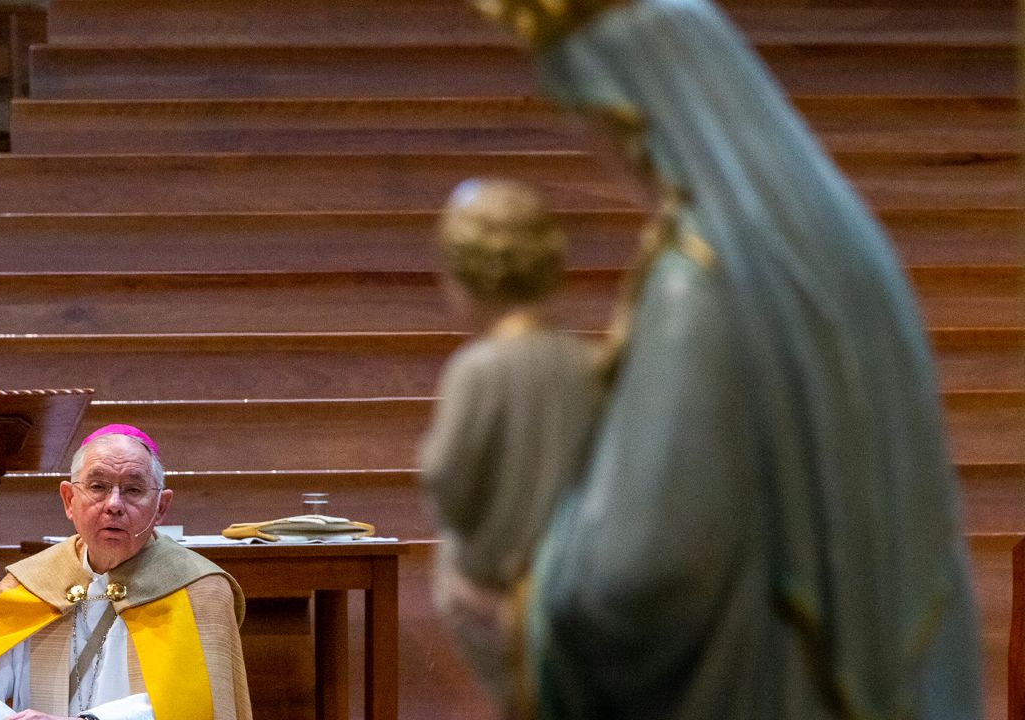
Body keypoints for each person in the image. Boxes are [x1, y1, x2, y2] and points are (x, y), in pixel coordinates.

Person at [462, 1, 985, 719]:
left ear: (635, 116)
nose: (594, 149)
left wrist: (525, 603)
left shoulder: (700, 285)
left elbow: (637, 572)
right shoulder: (844, 256)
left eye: (586, 118)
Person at [419, 178, 603, 718]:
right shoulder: (591, 364)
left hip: (496, 595)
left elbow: (447, 483)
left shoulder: (479, 369)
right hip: (579, 592)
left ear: (465, 276)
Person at [0, 424, 252, 720]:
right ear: (68, 499)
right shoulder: (31, 583)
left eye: (133, 489)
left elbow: (196, 709)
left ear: (161, 507)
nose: (114, 504)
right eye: (98, 487)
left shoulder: (199, 590)